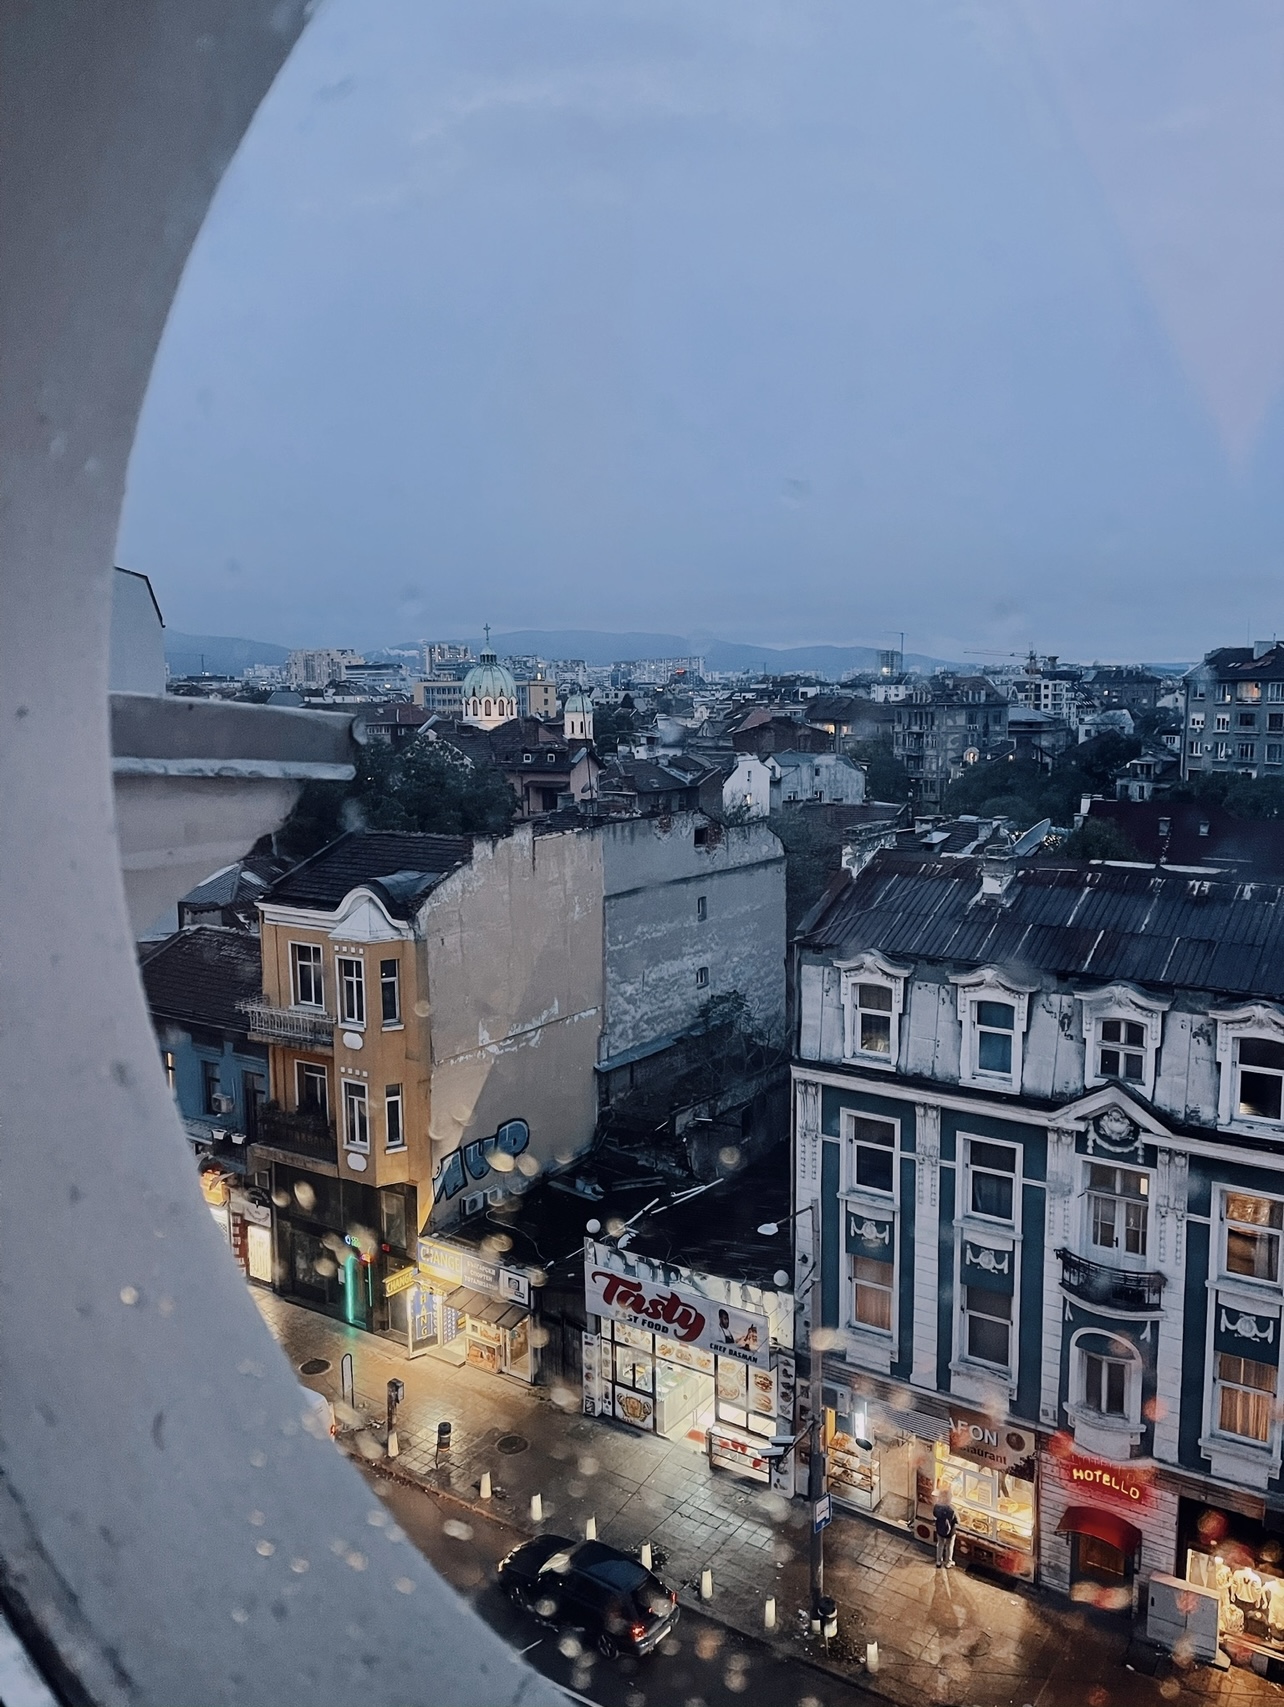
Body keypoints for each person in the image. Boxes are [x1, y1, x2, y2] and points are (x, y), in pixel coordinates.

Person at [933, 1489, 958, 1568]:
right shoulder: (952, 1508)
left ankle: (938, 1561)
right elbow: (957, 1520)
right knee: (949, 1546)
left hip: (940, 1528)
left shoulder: (937, 1506)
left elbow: (935, 1515)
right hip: (950, 1531)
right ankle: (948, 1562)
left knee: (940, 1544)